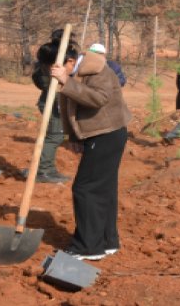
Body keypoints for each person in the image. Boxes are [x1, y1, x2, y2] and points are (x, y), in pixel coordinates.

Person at [52, 51, 131, 261]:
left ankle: (88, 247)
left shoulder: (98, 70)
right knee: (103, 188)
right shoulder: (77, 73)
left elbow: (97, 98)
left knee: (86, 189)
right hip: (99, 133)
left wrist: (66, 81)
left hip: (107, 134)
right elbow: (70, 105)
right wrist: (74, 137)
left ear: (70, 61)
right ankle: (107, 241)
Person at [28, 34, 79, 183]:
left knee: (54, 135)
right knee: (54, 136)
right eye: (72, 62)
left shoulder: (50, 62)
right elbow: (46, 84)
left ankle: (45, 169)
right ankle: (44, 171)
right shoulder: (49, 66)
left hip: (53, 102)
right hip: (51, 103)